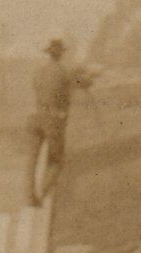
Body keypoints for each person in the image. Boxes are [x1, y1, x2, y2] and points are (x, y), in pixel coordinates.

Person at [27, 37, 96, 205]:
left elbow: (38, 87)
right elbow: (86, 83)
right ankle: (42, 194)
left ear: (48, 53)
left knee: (32, 160)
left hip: (35, 117)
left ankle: (30, 195)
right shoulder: (65, 71)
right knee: (56, 161)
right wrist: (89, 74)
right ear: (61, 54)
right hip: (53, 119)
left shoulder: (38, 71)